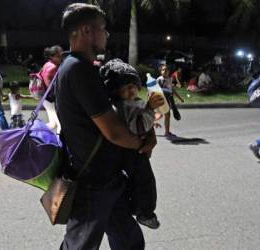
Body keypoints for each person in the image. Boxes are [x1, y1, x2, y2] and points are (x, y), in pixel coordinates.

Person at [55, 3, 163, 250]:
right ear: (86, 31)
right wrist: (142, 144)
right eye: (102, 28)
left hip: (107, 178)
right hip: (93, 181)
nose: (107, 34)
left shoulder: (74, 67)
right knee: (79, 245)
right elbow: (113, 130)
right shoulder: (79, 71)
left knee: (129, 241)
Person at [100, 58, 161, 229]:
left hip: (135, 149)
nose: (131, 90)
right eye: (125, 88)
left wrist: (150, 117)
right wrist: (149, 110)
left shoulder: (133, 102)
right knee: (145, 181)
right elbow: (137, 127)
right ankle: (145, 213)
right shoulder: (121, 107)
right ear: (115, 92)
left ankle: (138, 207)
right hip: (130, 150)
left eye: (133, 85)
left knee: (139, 181)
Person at [157, 65, 184, 138]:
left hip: (168, 99)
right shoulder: (159, 79)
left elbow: (172, 90)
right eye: (163, 70)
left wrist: (180, 98)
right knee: (167, 114)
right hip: (161, 100)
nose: (164, 71)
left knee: (164, 115)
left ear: (169, 71)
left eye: (166, 70)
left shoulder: (169, 79)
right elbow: (155, 90)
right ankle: (167, 132)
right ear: (160, 71)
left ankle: (166, 131)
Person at [41, 45, 63, 134]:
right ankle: (60, 143)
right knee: (61, 125)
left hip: (45, 98)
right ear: (51, 56)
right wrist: (56, 94)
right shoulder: (53, 67)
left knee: (53, 123)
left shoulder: (46, 64)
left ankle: (37, 133)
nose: (61, 58)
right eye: (58, 56)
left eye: (61, 55)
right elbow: (48, 82)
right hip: (50, 98)